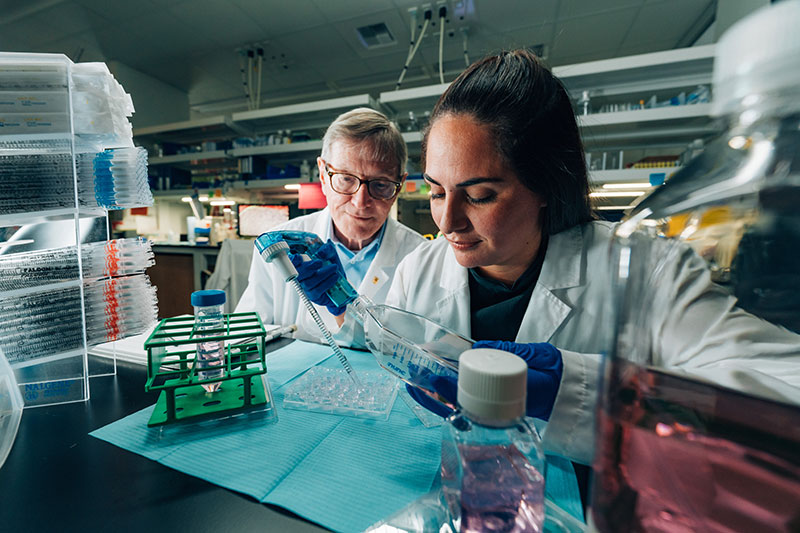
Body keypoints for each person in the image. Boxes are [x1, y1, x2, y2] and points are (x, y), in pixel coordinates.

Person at [289, 50, 800, 513]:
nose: (447, 223)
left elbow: (785, 391)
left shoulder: (647, 270)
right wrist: (343, 303)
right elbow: (381, 343)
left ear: (544, 186)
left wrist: (587, 393)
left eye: (481, 194)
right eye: (438, 192)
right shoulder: (419, 271)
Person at [235, 107, 424, 347]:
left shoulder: (421, 258)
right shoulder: (278, 247)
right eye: (345, 178)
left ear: (399, 186)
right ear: (323, 175)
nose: (361, 202)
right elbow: (247, 338)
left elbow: (420, 355)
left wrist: (346, 307)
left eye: (380, 184)